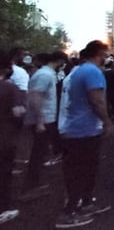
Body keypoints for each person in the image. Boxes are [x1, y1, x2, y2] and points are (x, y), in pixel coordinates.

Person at [57, 41, 113, 229]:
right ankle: (69, 212)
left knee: (87, 169)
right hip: (82, 130)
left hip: (78, 128)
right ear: (98, 53)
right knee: (78, 171)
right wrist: (107, 122)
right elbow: (97, 101)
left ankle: (87, 203)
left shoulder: (79, 70)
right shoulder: (92, 71)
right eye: (106, 53)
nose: (108, 56)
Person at [19, 51, 68, 201]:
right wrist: (40, 120)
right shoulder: (45, 75)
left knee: (40, 152)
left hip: (45, 119)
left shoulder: (46, 74)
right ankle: (30, 187)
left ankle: (33, 184)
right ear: (58, 60)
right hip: (43, 120)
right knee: (38, 153)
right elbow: (35, 97)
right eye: (62, 62)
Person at [0, 50, 26, 225]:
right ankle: (3, 209)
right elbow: (18, 112)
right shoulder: (10, 88)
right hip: (5, 137)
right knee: (3, 173)